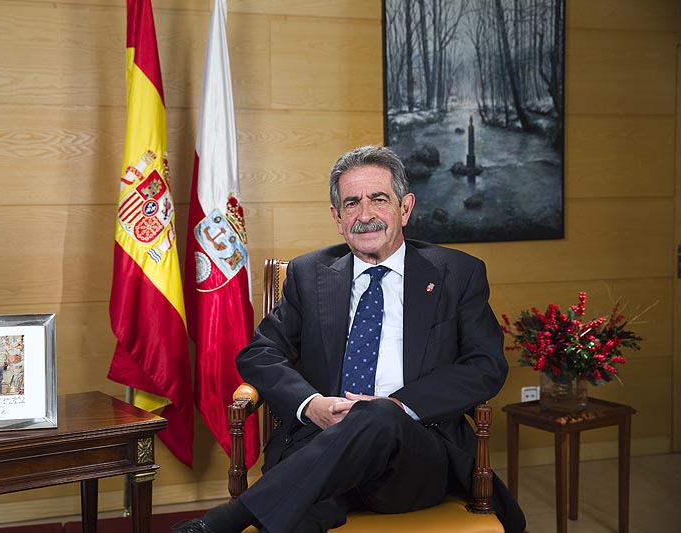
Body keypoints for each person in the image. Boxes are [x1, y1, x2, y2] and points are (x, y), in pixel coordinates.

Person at [172, 146, 525, 533]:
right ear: (337, 218)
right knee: (304, 515)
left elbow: (486, 364)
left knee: (379, 415)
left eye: (378, 200)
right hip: (321, 441)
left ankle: (225, 522)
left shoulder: (457, 274)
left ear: (405, 208)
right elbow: (260, 353)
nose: (365, 215)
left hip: (415, 454)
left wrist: (399, 405)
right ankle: (317, 505)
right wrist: (312, 405)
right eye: (352, 203)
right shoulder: (311, 275)